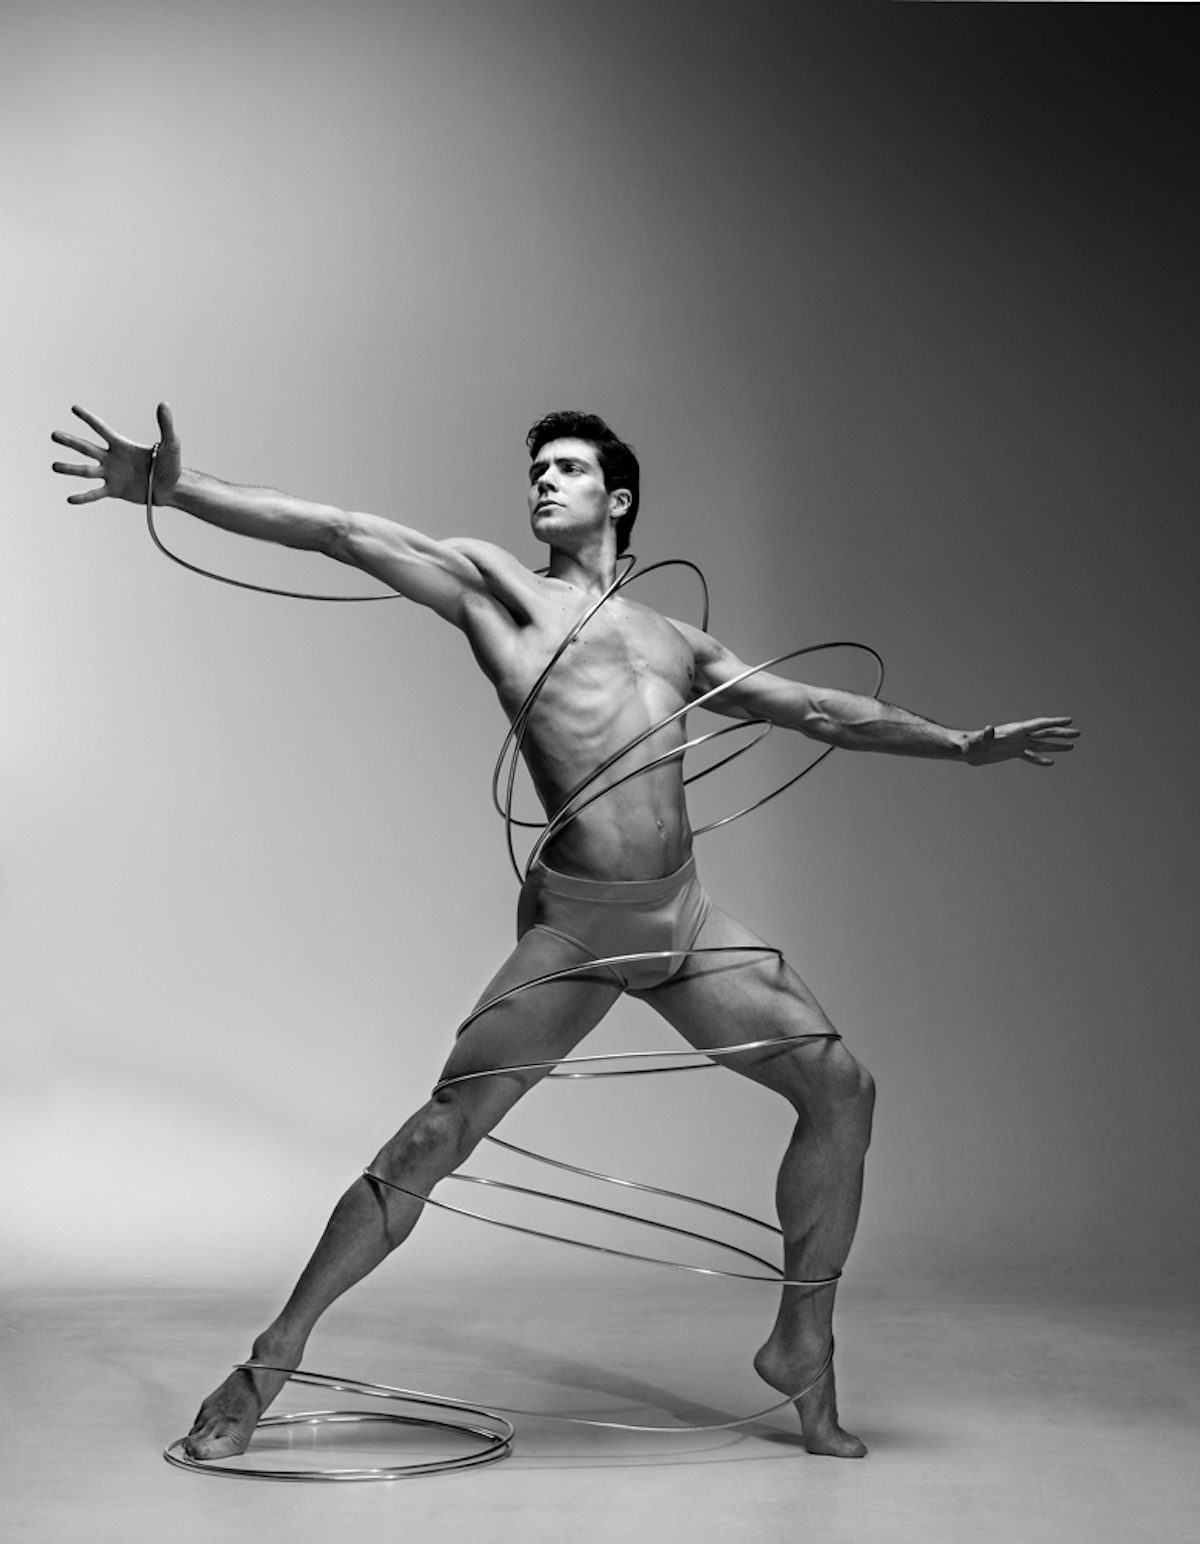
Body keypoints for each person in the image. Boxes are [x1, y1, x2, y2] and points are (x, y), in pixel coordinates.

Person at [51, 403, 1078, 1461]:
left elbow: (815, 708)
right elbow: (345, 532)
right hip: (580, 927)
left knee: (843, 1089)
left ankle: (802, 1343)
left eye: (569, 468)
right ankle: (269, 1360)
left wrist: (961, 743)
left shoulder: (678, 641)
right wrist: (175, 489)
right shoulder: (502, 594)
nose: (544, 480)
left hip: (681, 920)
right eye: (538, 468)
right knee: (434, 1137)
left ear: (617, 498)